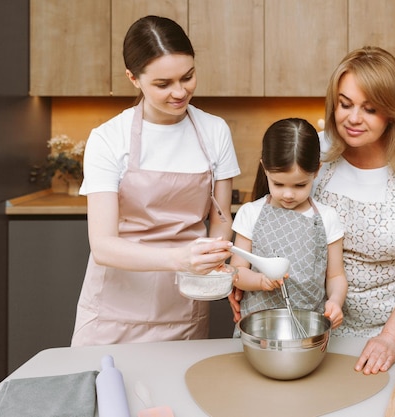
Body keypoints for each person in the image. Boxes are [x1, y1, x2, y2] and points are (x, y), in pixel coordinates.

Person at [230, 47, 395, 374]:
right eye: (344, 104)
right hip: (320, 317)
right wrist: (245, 278)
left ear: (392, 111)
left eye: (370, 108)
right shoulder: (315, 150)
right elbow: (270, 214)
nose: (352, 118)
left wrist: (390, 338)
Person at [71, 16, 240, 346]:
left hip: (184, 305)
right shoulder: (108, 139)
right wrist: (179, 260)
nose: (180, 92)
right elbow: (103, 246)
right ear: (133, 78)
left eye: (188, 77)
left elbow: (220, 219)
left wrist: (214, 259)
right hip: (113, 311)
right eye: (163, 84)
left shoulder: (215, 131)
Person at [230, 118, 347, 332]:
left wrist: (336, 301)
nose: (288, 194)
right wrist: (259, 280)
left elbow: (336, 276)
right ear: (265, 168)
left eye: (300, 185)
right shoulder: (250, 213)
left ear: (317, 171)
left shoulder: (328, 218)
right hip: (258, 330)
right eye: (278, 184)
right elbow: (236, 272)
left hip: (309, 330)